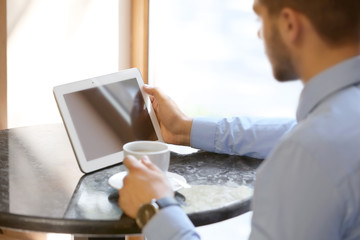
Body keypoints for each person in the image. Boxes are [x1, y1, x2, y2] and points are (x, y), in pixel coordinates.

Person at [118, 0, 360, 239]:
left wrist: (156, 211)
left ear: (289, 24)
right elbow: (290, 131)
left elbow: (304, 142)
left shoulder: (307, 154)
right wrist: (184, 129)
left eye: (260, 18)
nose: (258, 33)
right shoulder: (338, 119)